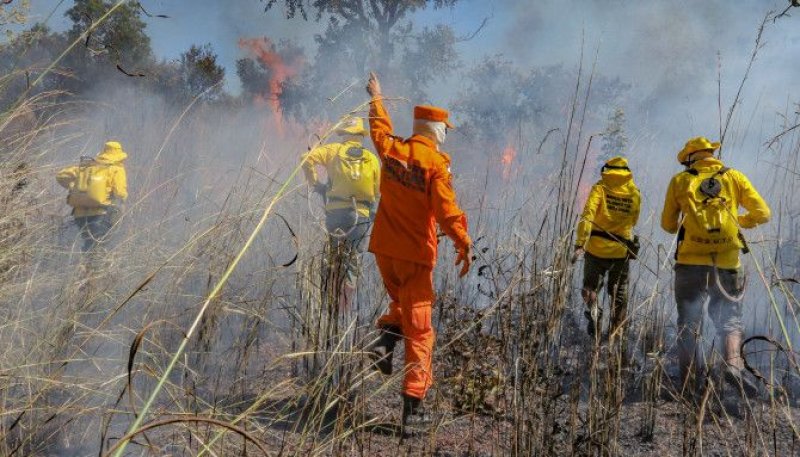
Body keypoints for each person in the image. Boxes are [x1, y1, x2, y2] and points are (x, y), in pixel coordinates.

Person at [365, 71, 472, 432]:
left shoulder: (392, 149)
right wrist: (463, 242)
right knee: (421, 331)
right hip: (414, 257)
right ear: (433, 128)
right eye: (445, 129)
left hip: (384, 252)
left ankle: (383, 342)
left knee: (403, 307)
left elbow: (378, 130)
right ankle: (415, 411)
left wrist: (376, 97)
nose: (446, 134)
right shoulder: (436, 165)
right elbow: (446, 211)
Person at [661, 136, 770, 397]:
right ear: (711, 154)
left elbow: (667, 225)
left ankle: (688, 383)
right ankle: (733, 366)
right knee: (730, 320)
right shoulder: (734, 177)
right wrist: (740, 221)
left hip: (689, 264)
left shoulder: (681, 181)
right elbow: (763, 213)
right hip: (728, 262)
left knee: (688, 322)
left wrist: (689, 228)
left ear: (690, 158)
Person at [302, 117, 380, 298]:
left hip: (336, 213)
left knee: (334, 258)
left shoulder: (334, 150)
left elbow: (306, 158)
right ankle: (346, 306)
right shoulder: (372, 158)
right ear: (361, 135)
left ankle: (330, 301)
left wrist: (316, 184)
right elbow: (377, 191)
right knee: (353, 262)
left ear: (343, 134)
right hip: (361, 217)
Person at [573, 156, 641, 359]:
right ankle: (615, 340)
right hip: (621, 253)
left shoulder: (600, 188)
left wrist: (580, 243)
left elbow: (588, 215)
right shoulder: (634, 192)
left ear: (606, 170)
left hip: (595, 251)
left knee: (589, 290)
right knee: (619, 298)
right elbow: (634, 219)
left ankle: (595, 314)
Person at [56, 141, 128, 252]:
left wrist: (73, 186)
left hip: (79, 215)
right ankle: (91, 267)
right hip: (101, 214)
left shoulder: (87, 167)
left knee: (89, 243)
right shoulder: (116, 169)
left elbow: (60, 176)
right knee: (98, 247)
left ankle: (84, 266)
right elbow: (120, 192)